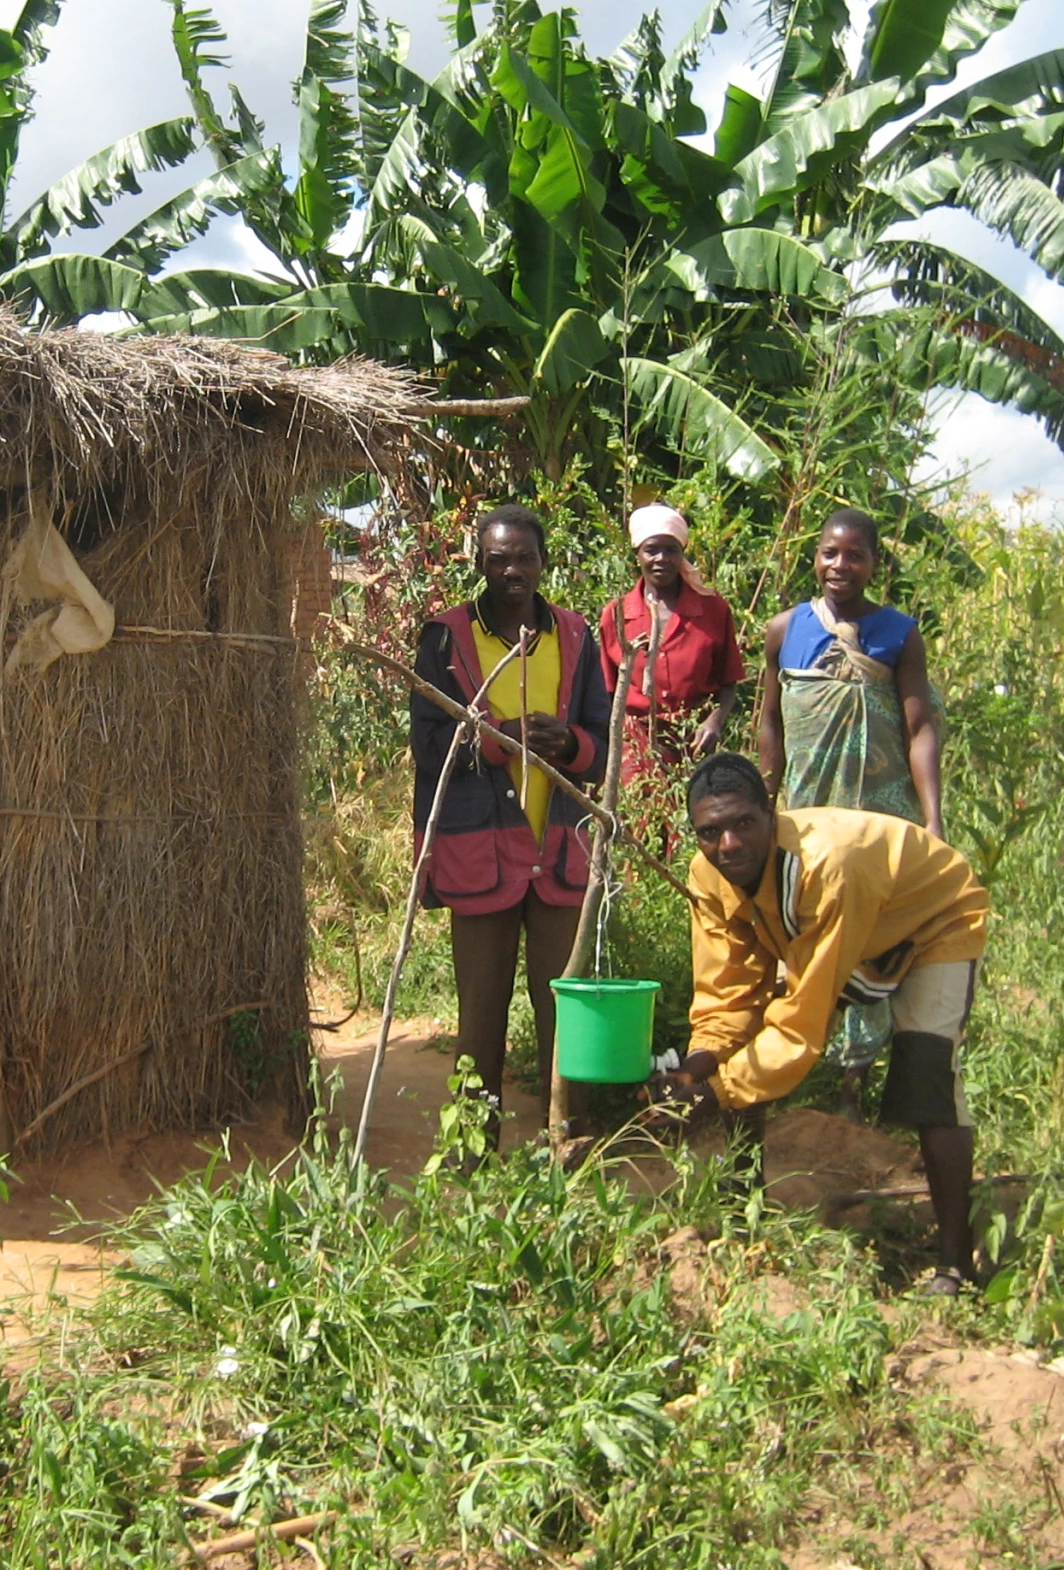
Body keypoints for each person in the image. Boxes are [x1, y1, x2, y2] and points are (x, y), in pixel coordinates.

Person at [648, 752, 988, 1294]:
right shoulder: (708, 874)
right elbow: (726, 993)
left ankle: (954, 1263)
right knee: (745, 1055)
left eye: (743, 824)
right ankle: (743, 1221)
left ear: (771, 813)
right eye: (710, 832)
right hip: (851, 926)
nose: (729, 845)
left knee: (927, 1074)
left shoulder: (824, 866)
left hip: (931, 919)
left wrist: (716, 1092)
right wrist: (696, 1070)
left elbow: (801, 1025)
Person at [411, 505, 610, 1144]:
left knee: (564, 1014)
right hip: (481, 855)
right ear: (480, 563)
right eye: (498, 558)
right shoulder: (445, 638)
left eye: (524, 557)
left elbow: (605, 746)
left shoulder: (578, 637)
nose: (512, 570)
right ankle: (473, 1157)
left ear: (543, 562)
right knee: (479, 1020)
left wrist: (569, 743)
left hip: (559, 853)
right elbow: (427, 744)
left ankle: (568, 1148)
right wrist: (500, 741)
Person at [755, 506, 944, 1119]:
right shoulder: (785, 630)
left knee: (873, 941)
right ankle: (786, 1072)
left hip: (880, 821)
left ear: (874, 564)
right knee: (802, 934)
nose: (841, 566)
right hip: (807, 815)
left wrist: (932, 820)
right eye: (830, 553)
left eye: (855, 555)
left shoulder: (899, 633)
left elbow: (920, 730)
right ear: (815, 556)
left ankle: (853, 1088)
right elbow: (770, 722)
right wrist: (764, 800)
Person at [597, 503, 747, 784]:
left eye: (671, 550)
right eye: (652, 549)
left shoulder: (712, 610)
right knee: (640, 825)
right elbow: (607, 692)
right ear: (637, 554)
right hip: (636, 748)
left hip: (694, 743)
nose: (661, 558)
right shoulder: (616, 615)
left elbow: (728, 680)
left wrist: (713, 722)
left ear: (682, 553)